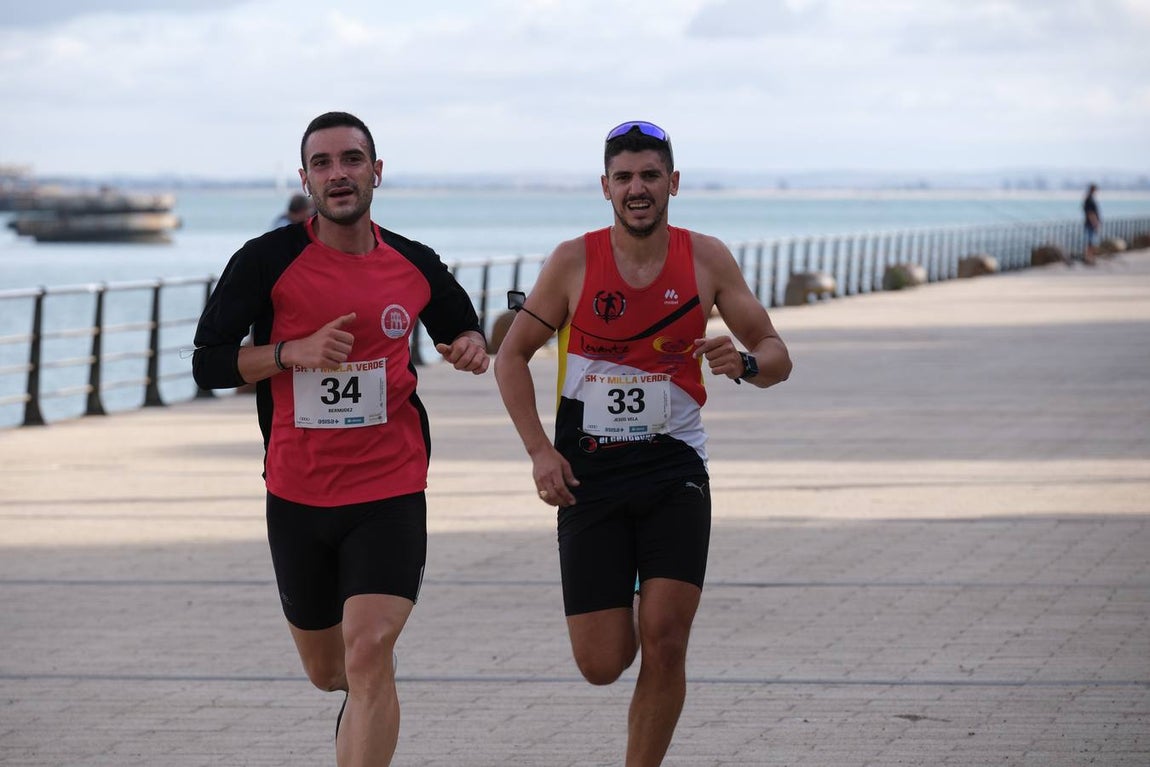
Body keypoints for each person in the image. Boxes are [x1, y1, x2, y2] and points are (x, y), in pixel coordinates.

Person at [192, 111, 489, 766]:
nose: (338, 174)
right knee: (331, 671)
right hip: (297, 492)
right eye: (322, 163)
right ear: (305, 179)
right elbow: (207, 364)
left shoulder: (414, 262)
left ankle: (369, 695)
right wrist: (289, 351)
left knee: (369, 648)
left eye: (351, 159)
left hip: (390, 486)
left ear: (376, 171)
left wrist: (470, 344)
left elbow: (462, 326)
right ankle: (362, 695)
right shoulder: (264, 261)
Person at [493, 121, 792, 766]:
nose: (638, 188)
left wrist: (743, 363)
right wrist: (540, 451)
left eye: (650, 175)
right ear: (605, 187)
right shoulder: (573, 261)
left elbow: (777, 355)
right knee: (601, 663)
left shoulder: (706, 258)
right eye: (624, 177)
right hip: (589, 473)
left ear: (673, 183)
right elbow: (511, 356)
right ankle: (636, 593)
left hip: (672, 468)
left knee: (666, 641)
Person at [1083, 183, 1101, 265]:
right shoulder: (1089, 199)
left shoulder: (1089, 198)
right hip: (1090, 224)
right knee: (1091, 242)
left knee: (1091, 241)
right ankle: (1089, 258)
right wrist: (1095, 223)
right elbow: (1090, 212)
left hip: (1090, 223)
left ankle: (1090, 258)